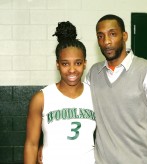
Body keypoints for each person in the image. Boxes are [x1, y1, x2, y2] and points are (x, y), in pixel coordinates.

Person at [85, 14, 147, 164]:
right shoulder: (93, 74)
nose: (106, 41)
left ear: (124, 36)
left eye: (112, 34)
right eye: (100, 36)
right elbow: (80, 116)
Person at [24, 21, 96, 164]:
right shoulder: (41, 98)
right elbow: (31, 145)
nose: (72, 70)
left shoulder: (96, 95)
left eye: (78, 63)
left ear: (85, 63)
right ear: (57, 64)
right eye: (65, 63)